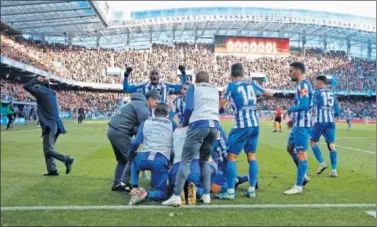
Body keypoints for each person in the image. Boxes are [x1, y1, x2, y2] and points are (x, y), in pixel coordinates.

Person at [162, 71, 219, 206]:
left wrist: (186, 122)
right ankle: (206, 195)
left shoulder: (194, 87)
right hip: (214, 125)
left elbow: (188, 108)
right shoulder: (215, 89)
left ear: (196, 80)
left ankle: (176, 195)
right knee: (204, 160)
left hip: (199, 124)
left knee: (186, 159)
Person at [219, 63, 272, 199]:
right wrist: (256, 99)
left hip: (242, 125)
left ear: (231, 75)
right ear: (243, 73)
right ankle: (252, 189)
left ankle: (230, 192)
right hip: (255, 124)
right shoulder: (251, 84)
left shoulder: (231, 86)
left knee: (231, 156)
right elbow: (269, 94)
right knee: (252, 156)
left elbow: (222, 103)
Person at [107, 91, 160, 191]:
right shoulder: (142, 106)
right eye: (156, 103)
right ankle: (124, 183)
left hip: (113, 131)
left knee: (123, 160)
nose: (155, 106)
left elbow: (136, 128)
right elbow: (144, 127)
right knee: (133, 157)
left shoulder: (136, 103)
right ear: (151, 99)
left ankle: (117, 183)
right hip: (120, 132)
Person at [23, 76, 74, 176]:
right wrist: (44, 82)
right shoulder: (50, 92)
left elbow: (27, 86)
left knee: (47, 149)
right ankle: (52, 170)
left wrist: (36, 79)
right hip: (56, 124)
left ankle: (67, 159)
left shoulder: (42, 92)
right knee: (49, 148)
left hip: (49, 124)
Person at [128, 103, 177, 205]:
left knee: (133, 160)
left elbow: (136, 142)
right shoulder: (172, 123)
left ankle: (135, 187)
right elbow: (176, 144)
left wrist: (131, 153)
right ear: (167, 113)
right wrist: (172, 160)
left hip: (143, 158)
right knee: (162, 193)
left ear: (154, 112)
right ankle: (146, 194)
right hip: (160, 160)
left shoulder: (145, 122)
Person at [284, 62, 313, 195]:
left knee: (302, 154)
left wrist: (289, 110)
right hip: (298, 123)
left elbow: (305, 105)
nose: (289, 74)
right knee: (290, 148)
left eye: (291, 71)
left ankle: (298, 185)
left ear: (297, 71)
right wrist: (293, 119)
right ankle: (304, 175)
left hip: (303, 125)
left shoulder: (304, 84)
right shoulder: (301, 85)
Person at [310, 75, 340, 177]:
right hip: (331, 121)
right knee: (331, 144)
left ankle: (322, 163)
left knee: (312, 141)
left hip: (320, 120)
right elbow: (337, 110)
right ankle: (334, 170)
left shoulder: (317, 93)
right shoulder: (332, 93)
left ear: (320, 82)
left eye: (316, 82)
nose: (315, 84)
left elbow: (312, 105)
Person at [123, 65, 188, 104]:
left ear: (159, 76)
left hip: (162, 118)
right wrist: (126, 76)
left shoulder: (165, 86)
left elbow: (183, 87)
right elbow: (126, 89)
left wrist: (183, 73)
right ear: (149, 76)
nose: (154, 75)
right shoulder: (143, 87)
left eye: (156, 74)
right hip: (148, 118)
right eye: (153, 74)